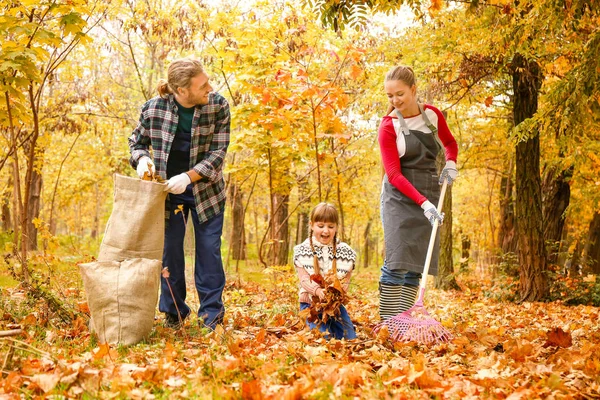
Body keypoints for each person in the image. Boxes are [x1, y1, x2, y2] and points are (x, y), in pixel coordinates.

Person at [128, 58, 230, 330]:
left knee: (209, 252)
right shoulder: (153, 109)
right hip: (168, 195)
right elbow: (136, 142)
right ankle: (174, 314)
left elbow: (218, 153)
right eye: (203, 85)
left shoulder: (218, 106)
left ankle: (211, 318)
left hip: (206, 192)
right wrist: (141, 160)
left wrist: (188, 176)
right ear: (182, 90)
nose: (210, 87)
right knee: (170, 253)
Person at [377, 66, 458, 321]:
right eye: (390, 96)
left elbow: (450, 143)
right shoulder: (388, 127)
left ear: (413, 90)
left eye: (399, 94)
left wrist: (451, 163)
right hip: (399, 196)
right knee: (397, 261)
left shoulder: (432, 115)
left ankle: (404, 322)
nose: (395, 101)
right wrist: (423, 204)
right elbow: (393, 174)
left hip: (428, 189)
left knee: (415, 266)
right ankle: (388, 324)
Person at [293, 203, 357, 340]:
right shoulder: (302, 250)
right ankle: (318, 328)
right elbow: (304, 280)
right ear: (311, 225)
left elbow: (346, 279)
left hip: (334, 306)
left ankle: (336, 328)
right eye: (320, 226)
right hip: (310, 305)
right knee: (323, 338)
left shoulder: (345, 251)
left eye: (331, 227)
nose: (326, 231)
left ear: (336, 227)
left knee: (349, 338)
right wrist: (318, 291)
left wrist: (339, 293)